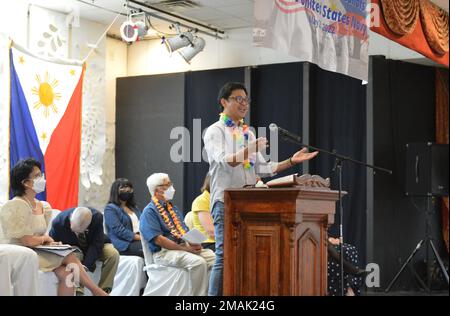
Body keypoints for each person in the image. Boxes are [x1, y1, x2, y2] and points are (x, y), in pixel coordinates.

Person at [203, 82, 319, 296]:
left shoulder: (247, 133)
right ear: (223, 102)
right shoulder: (214, 131)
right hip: (225, 202)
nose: (244, 103)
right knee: (224, 255)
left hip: (248, 203)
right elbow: (224, 161)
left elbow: (264, 168)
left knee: (246, 255)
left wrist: (292, 161)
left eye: (246, 100)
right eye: (238, 99)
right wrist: (249, 150)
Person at [0, 158, 107, 296]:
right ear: (25, 183)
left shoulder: (42, 206)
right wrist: (45, 239)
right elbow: (27, 241)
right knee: (70, 256)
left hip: (37, 250)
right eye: (37, 176)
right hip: (20, 253)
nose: (42, 179)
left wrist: (50, 243)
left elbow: (37, 238)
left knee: (68, 273)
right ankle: (97, 291)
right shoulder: (15, 205)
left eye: (41, 175)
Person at [140, 173, 215, 296]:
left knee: (215, 258)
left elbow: (184, 230)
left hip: (182, 247)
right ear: (156, 190)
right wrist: (185, 248)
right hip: (163, 253)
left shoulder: (172, 208)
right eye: (167, 185)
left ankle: (213, 293)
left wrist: (194, 243)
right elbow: (159, 240)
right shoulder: (149, 212)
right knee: (198, 263)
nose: (172, 188)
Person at [49, 206, 120, 294]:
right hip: (74, 249)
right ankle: (79, 292)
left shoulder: (97, 217)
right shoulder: (59, 222)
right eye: (75, 230)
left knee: (113, 254)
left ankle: (104, 290)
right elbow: (52, 243)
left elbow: (97, 244)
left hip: (93, 245)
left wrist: (86, 266)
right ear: (71, 219)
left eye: (81, 231)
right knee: (74, 257)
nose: (78, 233)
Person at [104, 178, 143, 258]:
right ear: (115, 190)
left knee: (157, 245)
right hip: (123, 243)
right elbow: (119, 230)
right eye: (123, 188)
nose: (127, 190)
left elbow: (143, 223)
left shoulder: (134, 207)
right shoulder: (110, 209)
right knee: (150, 248)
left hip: (138, 238)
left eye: (129, 188)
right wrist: (140, 238)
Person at [190, 174, 215, 251]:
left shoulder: (221, 199)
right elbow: (211, 232)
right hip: (208, 243)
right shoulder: (202, 200)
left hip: (220, 241)